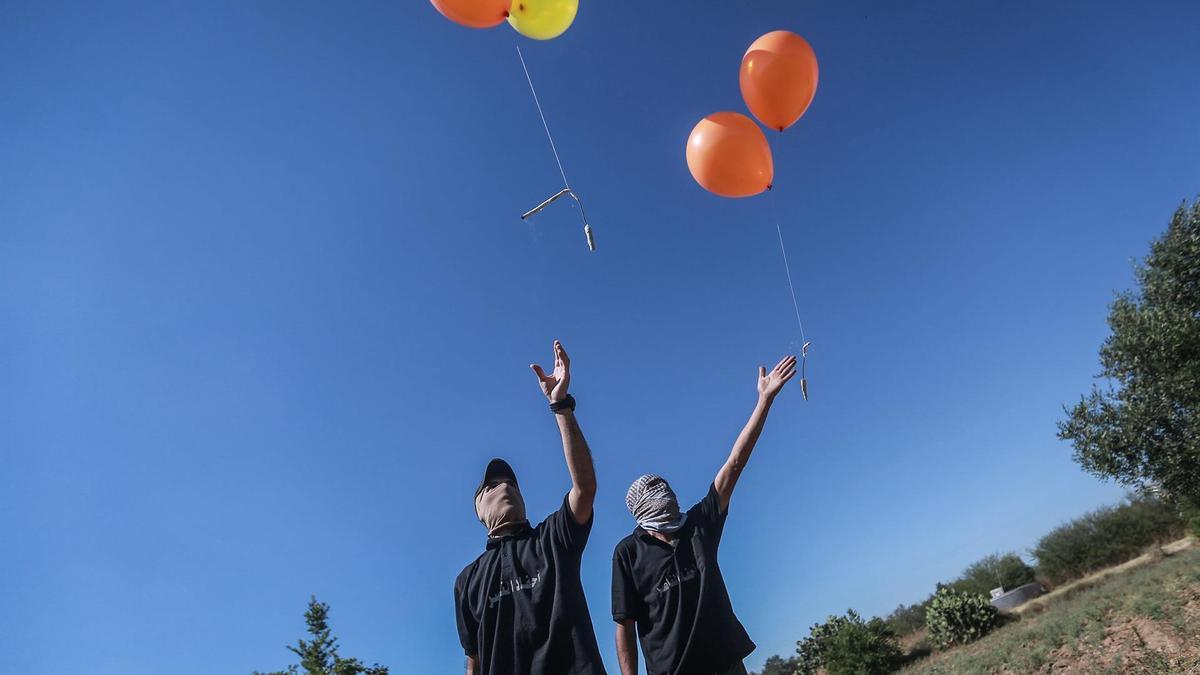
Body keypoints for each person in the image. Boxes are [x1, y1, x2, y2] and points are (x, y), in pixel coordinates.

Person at [611, 355, 798, 675]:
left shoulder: (700, 523)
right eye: (653, 492)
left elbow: (735, 464)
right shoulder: (628, 552)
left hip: (727, 663)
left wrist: (764, 401)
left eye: (664, 486)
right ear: (639, 510)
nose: (664, 494)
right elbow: (625, 624)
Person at [454, 340, 607, 675]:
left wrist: (561, 406)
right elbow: (474, 662)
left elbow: (585, 488)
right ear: (480, 511)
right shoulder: (467, 582)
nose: (505, 486)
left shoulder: (552, 539)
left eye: (511, 483)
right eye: (492, 485)